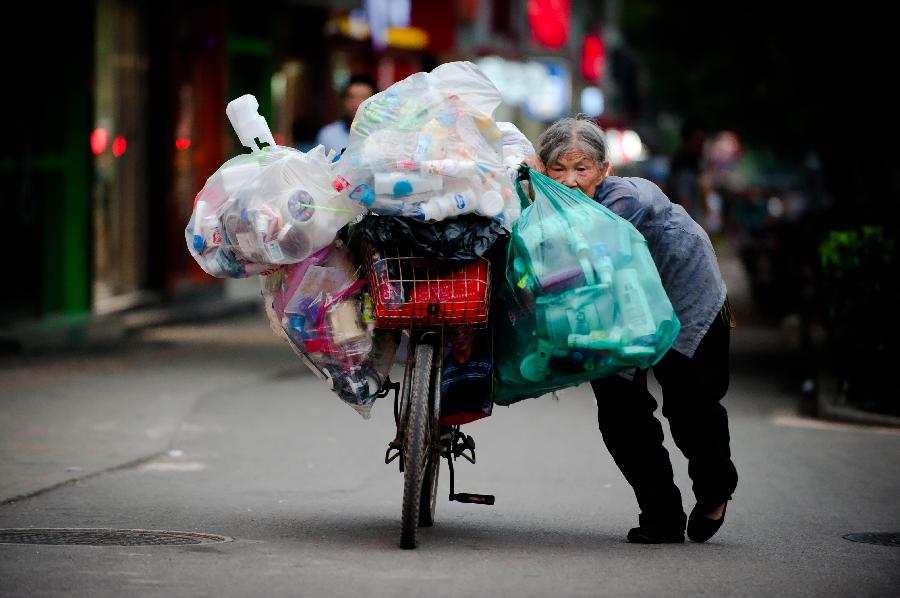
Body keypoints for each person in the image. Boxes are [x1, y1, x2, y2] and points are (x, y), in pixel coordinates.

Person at [526, 115, 738, 544]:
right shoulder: (546, 207)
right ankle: (661, 515)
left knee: (689, 403)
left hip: (684, 300)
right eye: (558, 169)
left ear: (605, 170)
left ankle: (715, 491)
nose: (569, 181)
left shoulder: (626, 199)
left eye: (581, 168)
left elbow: (582, 249)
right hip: (616, 310)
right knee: (620, 414)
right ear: (543, 170)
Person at [315, 74, 377, 157]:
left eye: (363, 98)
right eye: (351, 97)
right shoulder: (327, 135)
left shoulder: (384, 136)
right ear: (344, 101)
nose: (356, 104)